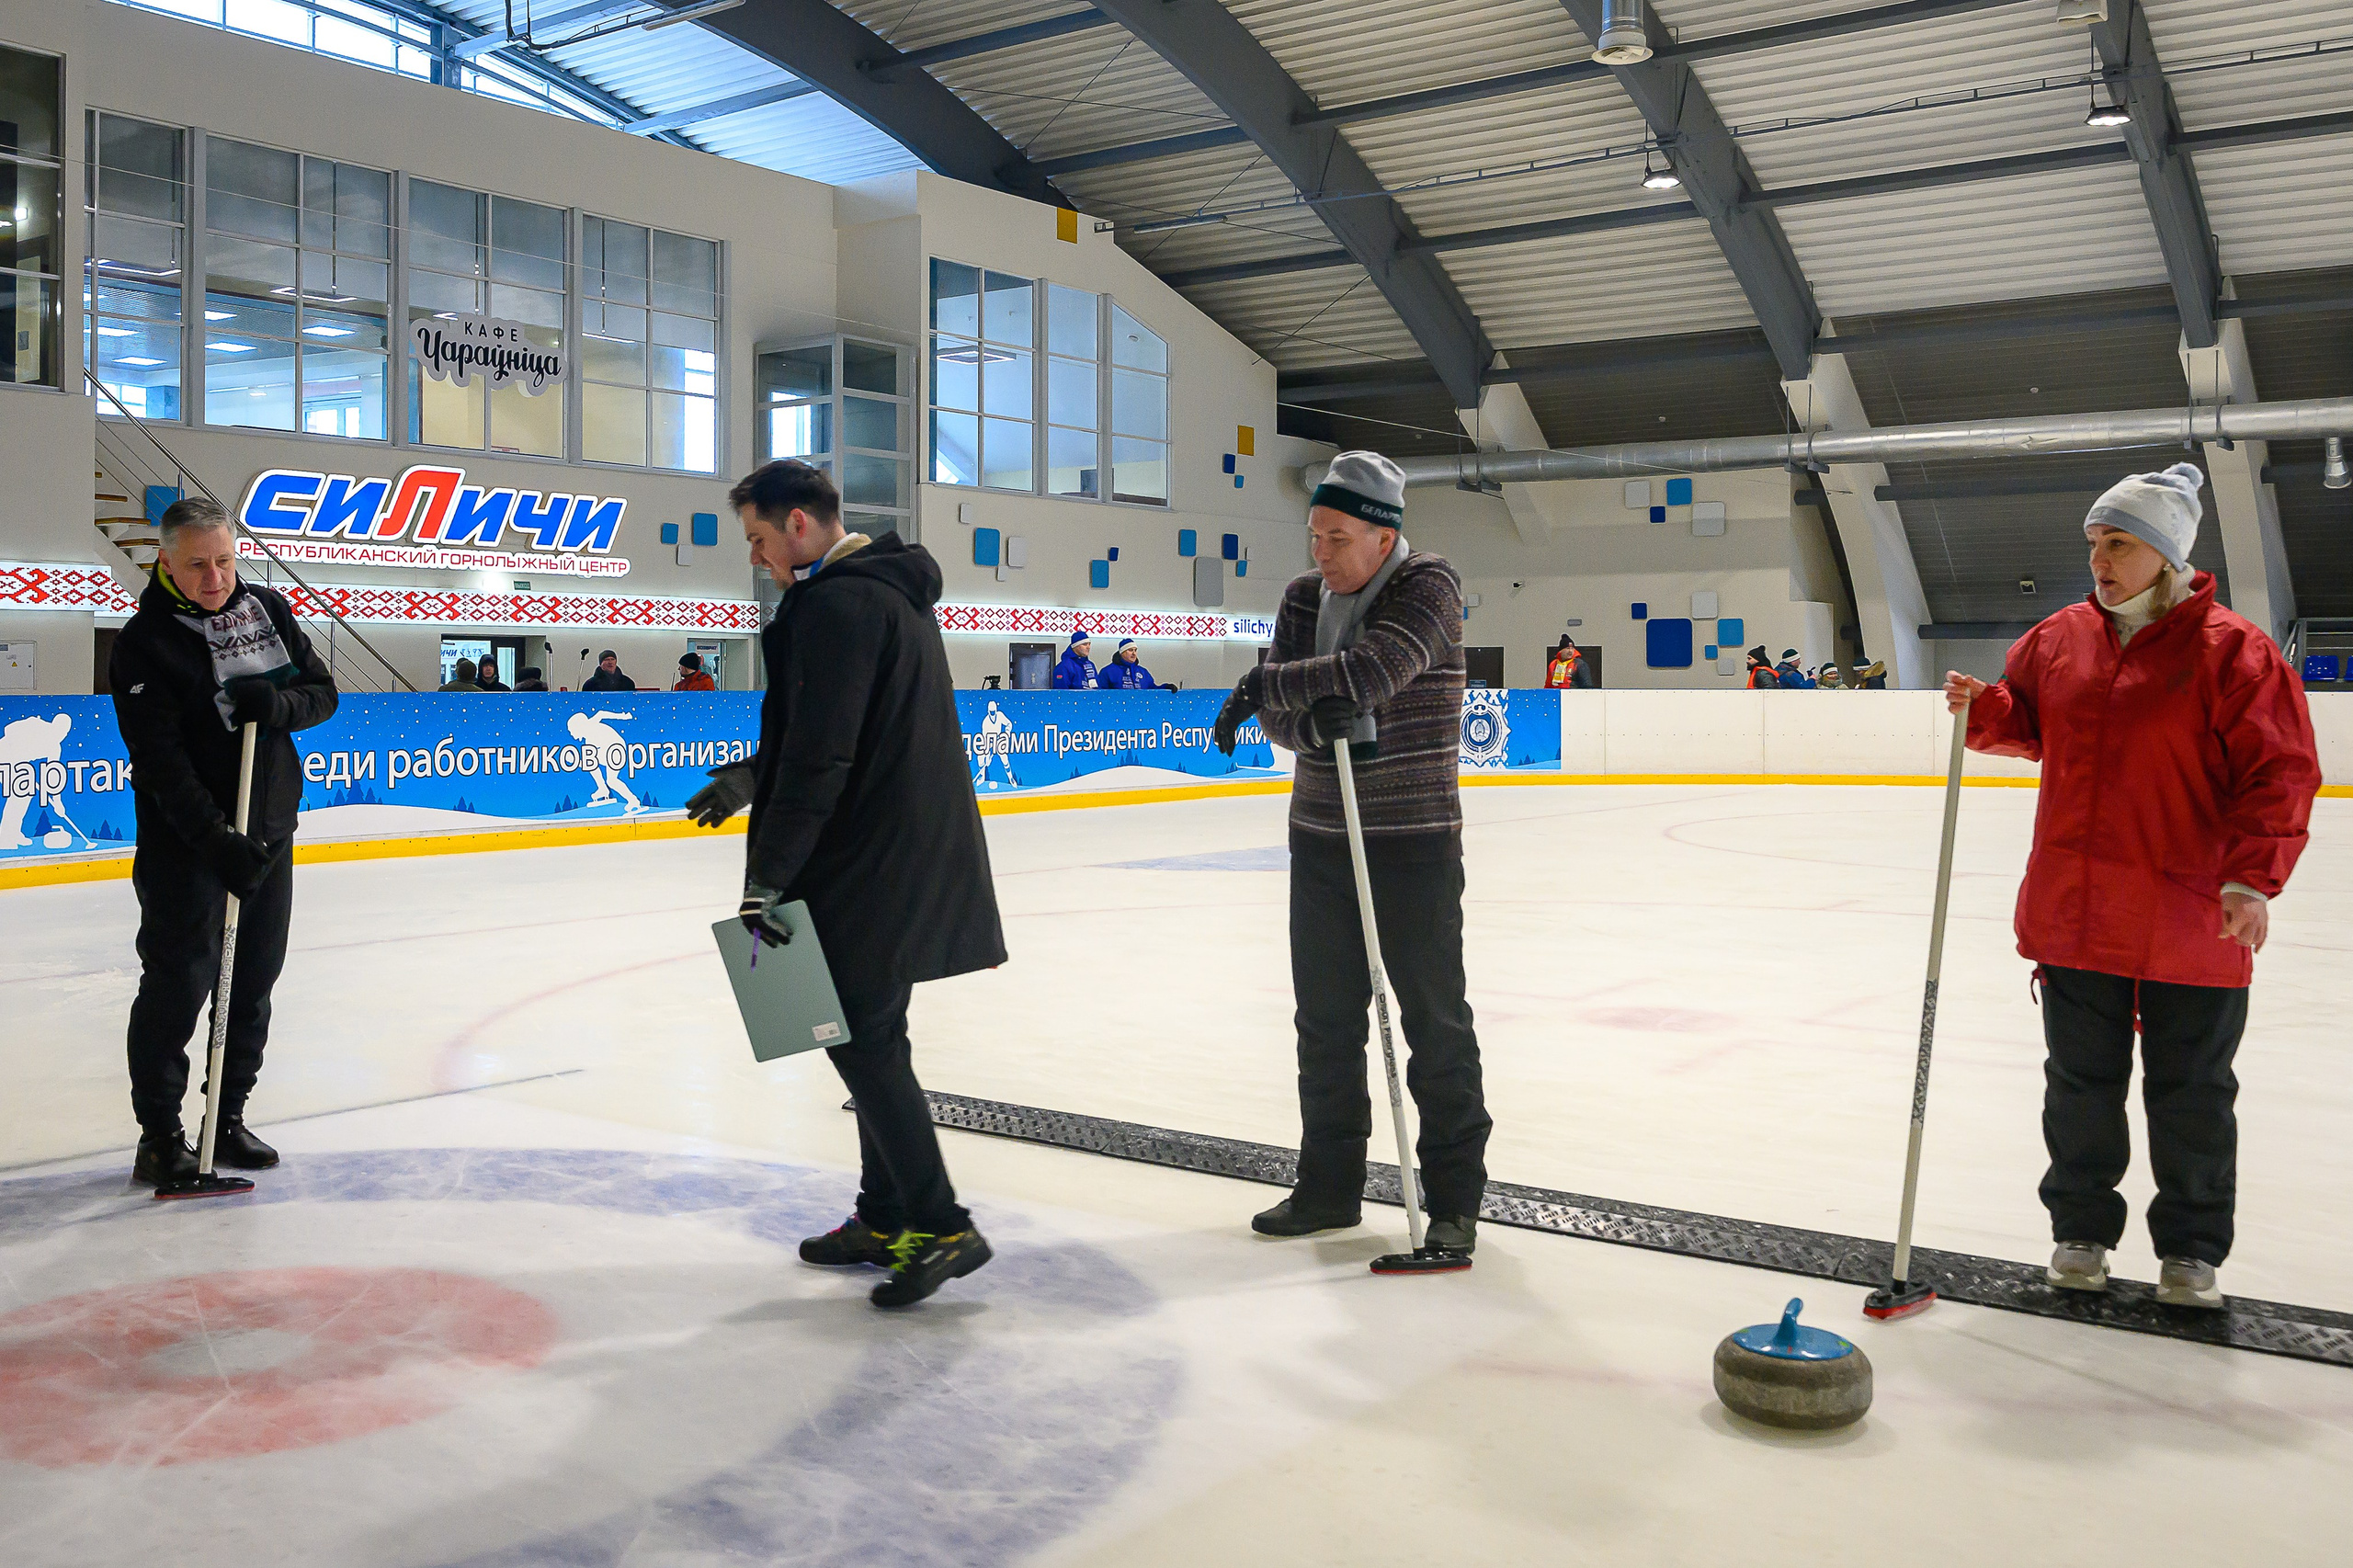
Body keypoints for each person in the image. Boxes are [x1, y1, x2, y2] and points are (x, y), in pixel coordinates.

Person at [1947, 462, 2320, 1309]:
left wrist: (2251, 881)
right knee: (2080, 1088)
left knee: (2191, 1093)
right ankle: (2080, 1232)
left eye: (2119, 544)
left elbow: (2281, 771)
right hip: (2076, 914)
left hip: (2192, 916)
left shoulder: (2235, 651)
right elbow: (2033, 721)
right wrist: (1989, 711)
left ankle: (2190, 1251)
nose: (2100, 561)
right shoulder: (2058, 639)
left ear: (2166, 553)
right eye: (2094, 544)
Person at [709, 458, 1006, 1307]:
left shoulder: (835, 605)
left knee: (864, 1044)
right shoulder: (888, 592)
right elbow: (845, 731)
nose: (762, 560)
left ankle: (940, 1224)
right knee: (874, 1038)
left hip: (867, 863)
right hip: (897, 855)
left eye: (762, 540)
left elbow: (827, 754)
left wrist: (768, 878)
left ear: (798, 524)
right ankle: (883, 1215)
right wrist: (754, 773)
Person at [1211, 449, 1490, 1262]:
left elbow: (1373, 672)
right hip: (1322, 841)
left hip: (1412, 844)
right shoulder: (1304, 598)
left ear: (1382, 537)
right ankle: (1327, 1187)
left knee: (1434, 1024)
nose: (1319, 556)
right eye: (1314, 536)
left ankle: (1453, 1203)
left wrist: (1270, 688)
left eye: (1336, 538)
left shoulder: (1429, 586)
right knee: (1325, 1024)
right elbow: (1296, 716)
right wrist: (1297, 707)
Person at [109, 497, 339, 1186]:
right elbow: (159, 765)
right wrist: (216, 841)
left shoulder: (267, 610)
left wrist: (280, 705)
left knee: (251, 983)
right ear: (166, 562)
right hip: (190, 848)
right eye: (197, 565)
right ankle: (160, 1137)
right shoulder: (145, 642)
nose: (216, 579)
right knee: (178, 985)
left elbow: (323, 693)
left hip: (268, 830)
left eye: (225, 560)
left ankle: (228, 1119)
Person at [1096, 639, 1165, 690]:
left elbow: (1153, 690)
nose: (1134, 653)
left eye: (1135, 650)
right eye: (1130, 650)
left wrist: (1166, 687)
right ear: (1122, 653)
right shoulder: (1108, 671)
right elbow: (1101, 694)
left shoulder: (1143, 672)